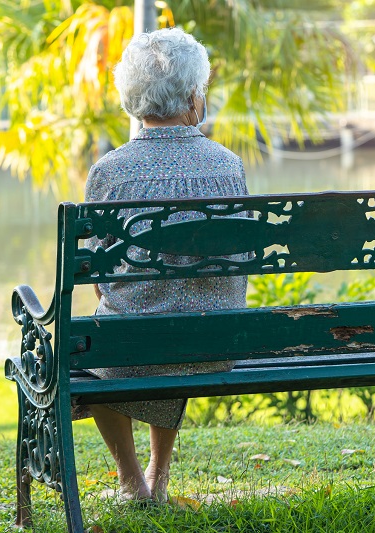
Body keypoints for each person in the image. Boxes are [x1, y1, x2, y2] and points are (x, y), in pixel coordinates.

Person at [73, 27, 248, 504]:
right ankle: (159, 471)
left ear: (133, 100)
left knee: (111, 337)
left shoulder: (110, 170)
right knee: (175, 316)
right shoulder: (228, 165)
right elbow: (245, 256)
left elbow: (97, 268)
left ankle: (133, 481)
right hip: (218, 339)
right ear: (195, 99)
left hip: (131, 346)